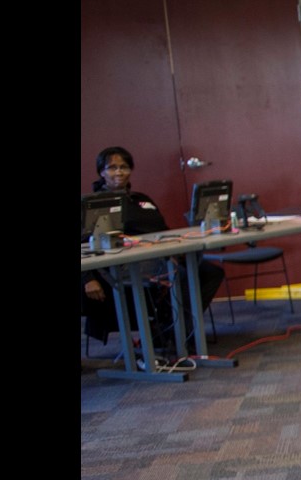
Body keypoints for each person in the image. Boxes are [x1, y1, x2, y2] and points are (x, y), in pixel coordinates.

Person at [81, 145, 226, 355]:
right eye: (112, 168)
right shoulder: (93, 205)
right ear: (101, 172)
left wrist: (174, 252)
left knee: (211, 272)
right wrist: (86, 279)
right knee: (183, 277)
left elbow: (162, 231)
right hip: (123, 267)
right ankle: (177, 338)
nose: (119, 172)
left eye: (124, 167)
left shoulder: (142, 200)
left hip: (160, 257)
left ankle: (169, 329)